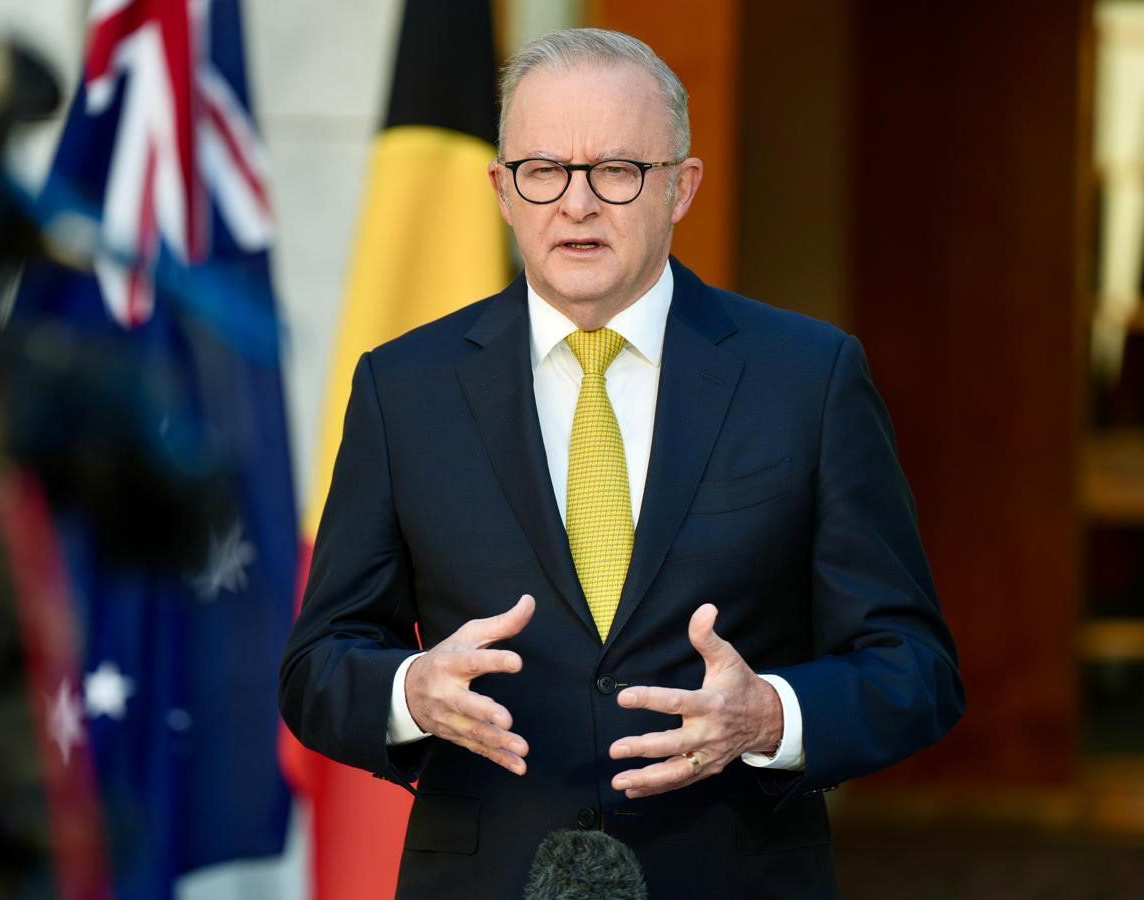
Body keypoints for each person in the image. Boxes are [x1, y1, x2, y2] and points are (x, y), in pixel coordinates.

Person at [279, 27, 962, 899]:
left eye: (615, 170)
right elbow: (316, 666)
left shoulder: (807, 379)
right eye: (543, 171)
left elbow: (914, 667)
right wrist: (410, 691)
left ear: (681, 187)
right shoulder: (402, 388)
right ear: (501, 189)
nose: (576, 204)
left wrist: (770, 716)